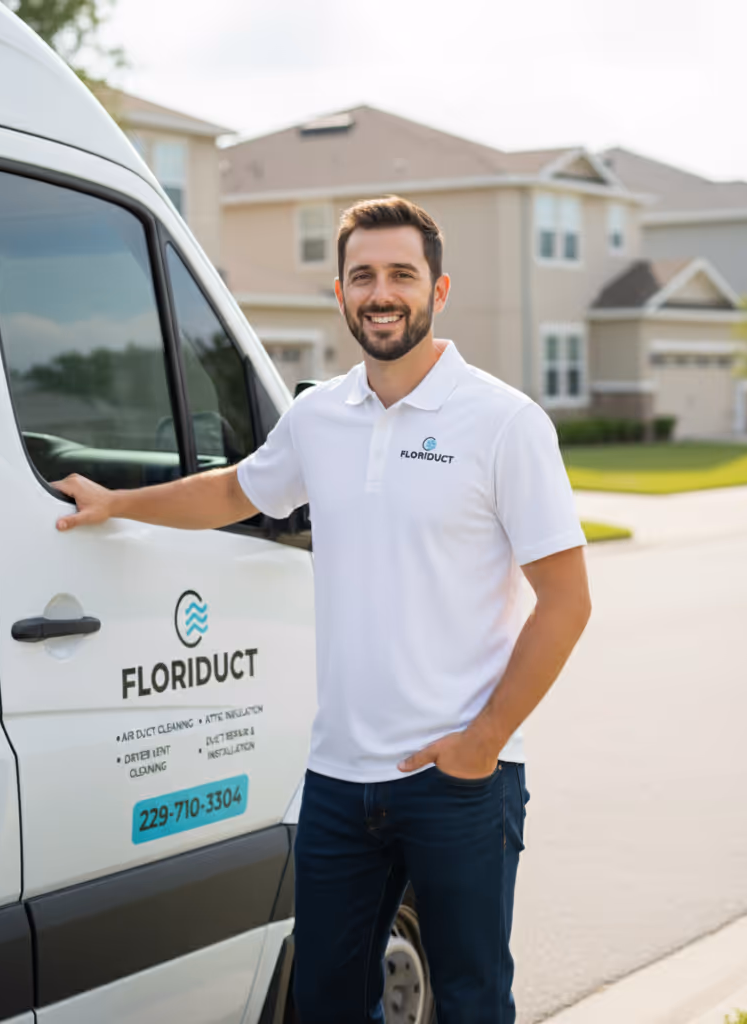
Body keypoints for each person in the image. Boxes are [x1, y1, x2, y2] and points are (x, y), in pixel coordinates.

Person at [53, 195, 592, 1023]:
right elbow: (233, 492)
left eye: (402, 274)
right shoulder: (319, 417)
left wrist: (482, 742)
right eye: (363, 276)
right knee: (325, 1003)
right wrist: (118, 503)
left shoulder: (503, 422)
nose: (382, 293)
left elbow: (566, 602)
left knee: (473, 1003)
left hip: (458, 779)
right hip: (338, 783)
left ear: (439, 290)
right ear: (340, 293)